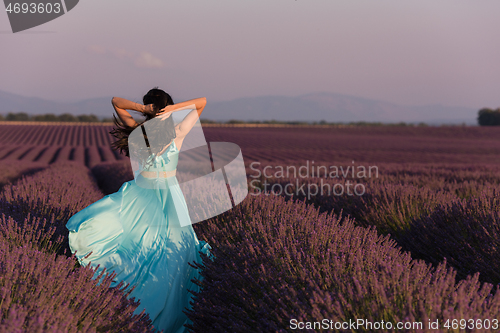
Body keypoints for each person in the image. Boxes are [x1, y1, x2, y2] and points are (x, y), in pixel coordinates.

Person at [66, 87, 211, 333]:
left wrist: (163, 110)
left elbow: (202, 102)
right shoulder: (164, 131)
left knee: (167, 252)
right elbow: (201, 103)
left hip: (157, 197)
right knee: (163, 252)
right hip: (147, 197)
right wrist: (157, 109)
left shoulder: (146, 131)